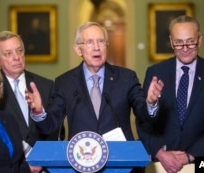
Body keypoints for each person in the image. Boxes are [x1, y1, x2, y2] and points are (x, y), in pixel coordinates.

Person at [24, 21, 162, 173]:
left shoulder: (126, 78)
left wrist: (150, 103)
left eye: (101, 41)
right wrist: (38, 112)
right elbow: (51, 125)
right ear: (78, 49)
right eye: (89, 42)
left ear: (106, 46)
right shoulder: (65, 82)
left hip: (122, 164)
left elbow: (144, 115)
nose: (96, 47)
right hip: (81, 164)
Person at [138, 15, 204, 173]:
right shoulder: (155, 73)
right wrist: (160, 153)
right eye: (179, 42)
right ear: (172, 42)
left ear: (199, 40)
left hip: (202, 162)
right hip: (161, 164)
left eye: (190, 41)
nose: (185, 48)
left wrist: (190, 156)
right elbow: (143, 123)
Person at [0, 31, 61, 172]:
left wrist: (41, 160)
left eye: (19, 51)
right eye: (8, 54)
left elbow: (57, 130)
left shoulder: (46, 86)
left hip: (44, 167)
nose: (16, 57)